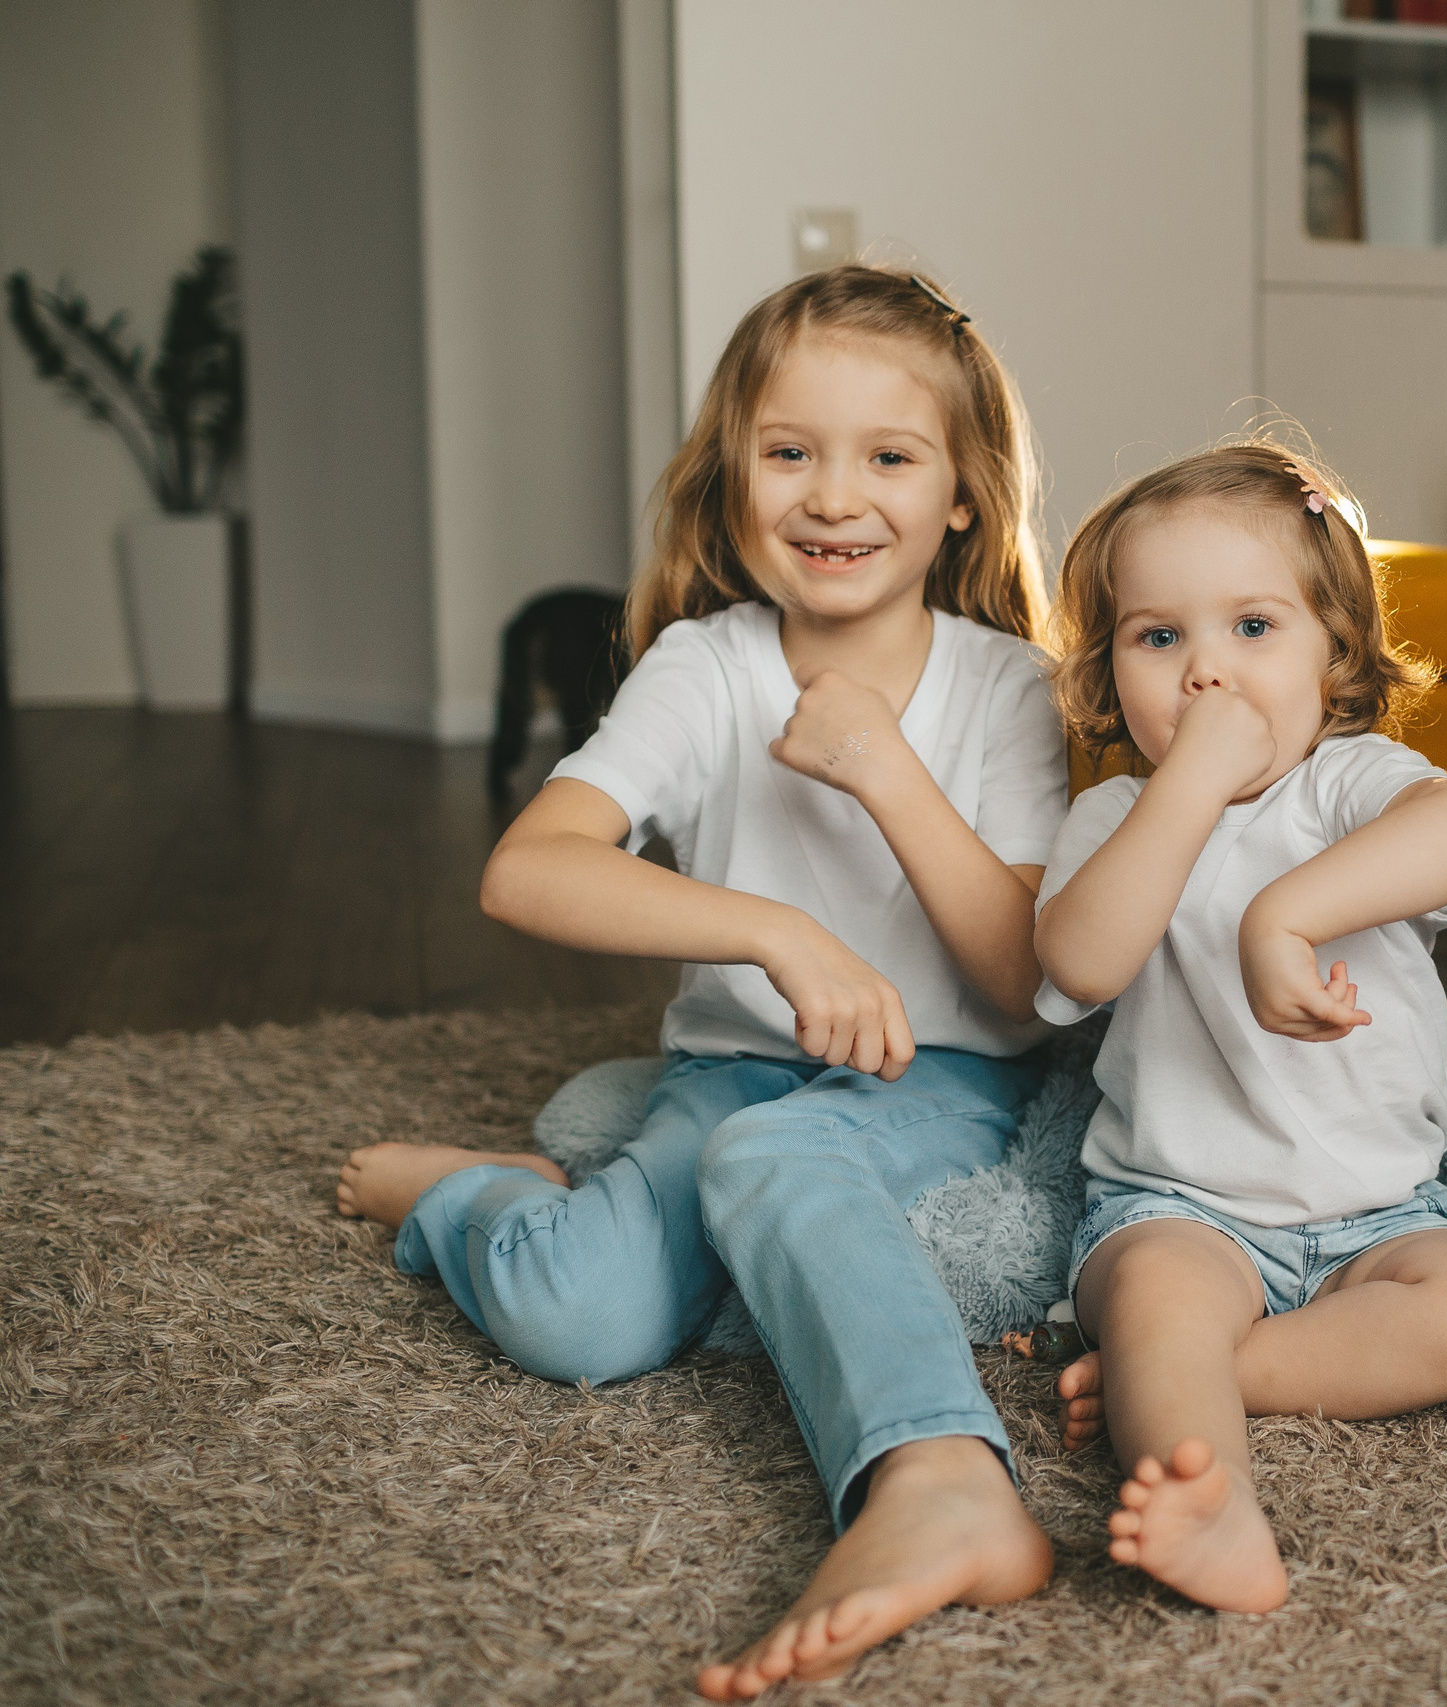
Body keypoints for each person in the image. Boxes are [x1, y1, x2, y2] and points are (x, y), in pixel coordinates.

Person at [332, 265, 1064, 1698]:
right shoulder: (706, 663)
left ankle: (937, 1477)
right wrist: (779, 935)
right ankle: (477, 1192)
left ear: (965, 495)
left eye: (891, 457)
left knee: (776, 1153)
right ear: (731, 475)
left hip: (946, 1080)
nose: (833, 496)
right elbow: (529, 868)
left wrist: (884, 764)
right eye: (789, 452)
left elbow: (1027, 975)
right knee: (575, 1315)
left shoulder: (1007, 687)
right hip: (729, 1070)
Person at [1033, 444, 1447, 1612]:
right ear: (1108, 670)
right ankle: (1212, 1499)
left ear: (1337, 650)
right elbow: (1078, 959)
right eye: (1158, 639)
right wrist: (1188, 787)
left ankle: (1193, 1380)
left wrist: (1287, 914)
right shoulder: (1114, 813)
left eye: (1254, 629)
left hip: (1386, 1216)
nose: (1207, 676)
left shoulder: (1352, 784)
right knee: (1159, 1298)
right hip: (1181, 1205)